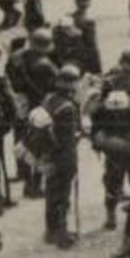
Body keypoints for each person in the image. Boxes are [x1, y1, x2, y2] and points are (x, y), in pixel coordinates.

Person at [39, 66, 83, 248]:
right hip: (64, 156)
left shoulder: (49, 99)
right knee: (62, 195)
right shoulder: (68, 107)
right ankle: (61, 234)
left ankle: (50, 230)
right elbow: (68, 138)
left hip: (48, 153)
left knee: (51, 192)